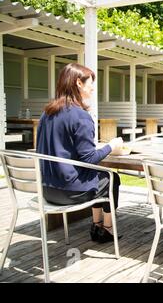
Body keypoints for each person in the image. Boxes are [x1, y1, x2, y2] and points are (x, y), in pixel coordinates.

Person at [36, 63, 124, 243]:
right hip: (69, 192)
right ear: (78, 83)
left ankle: (96, 226)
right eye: (91, 83)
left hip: (46, 190)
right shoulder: (81, 116)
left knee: (99, 176)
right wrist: (111, 146)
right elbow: (89, 159)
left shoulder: (46, 114)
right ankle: (107, 229)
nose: (93, 87)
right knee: (111, 178)